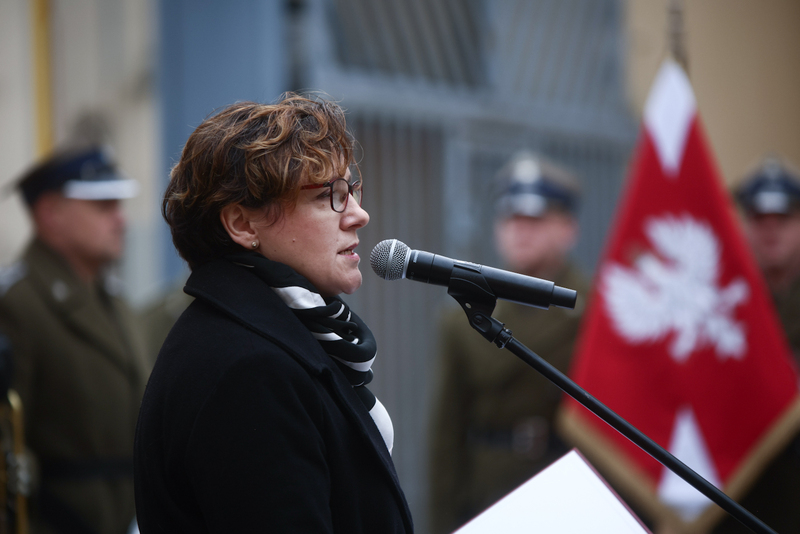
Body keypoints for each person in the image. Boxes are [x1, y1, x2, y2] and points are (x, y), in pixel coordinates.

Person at [133, 94, 413, 533]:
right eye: (327, 197)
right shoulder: (246, 368)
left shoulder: (274, 335)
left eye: (351, 190)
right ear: (243, 225)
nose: (359, 215)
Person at [428, 152, 589, 534]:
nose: (520, 230)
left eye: (534, 219)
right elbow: (446, 434)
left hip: (569, 492)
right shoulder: (462, 316)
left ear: (567, 228)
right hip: (490, 497)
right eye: (511, 218)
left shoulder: (595, 310)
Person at [0, 146, 150, 534]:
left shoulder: (112, 298)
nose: (121, 220)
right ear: (50, 213)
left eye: (119, 205)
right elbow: (8, 451)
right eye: (103, 207)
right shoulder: (18, 305)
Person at [709, 155, 800, 534]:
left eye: (783, 219)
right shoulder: (718, 302)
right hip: (738, 493)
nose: (770, 230)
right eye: (758, 219)